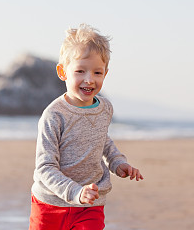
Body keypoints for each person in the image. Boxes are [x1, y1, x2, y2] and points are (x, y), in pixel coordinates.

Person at [29, 24, 143, 230]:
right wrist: (74, 192)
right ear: (63, 72)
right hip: (50, 205)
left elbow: (102, 140)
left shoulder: (105, 108)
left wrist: (117, 162)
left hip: (91, 203)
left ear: (105, 73)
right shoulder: (54, 115)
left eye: (97, 72)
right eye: (80, 71)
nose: (89, 79)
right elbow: (45, 167)